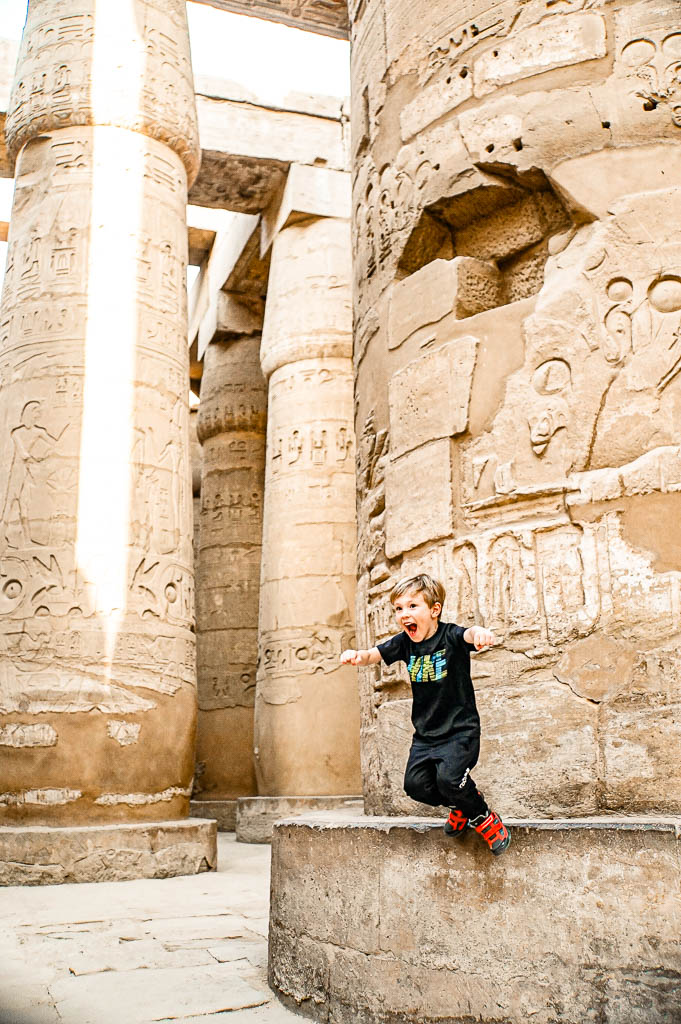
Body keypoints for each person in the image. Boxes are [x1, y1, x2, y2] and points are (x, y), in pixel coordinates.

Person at [340, 572, 511, 856]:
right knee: (415, 786)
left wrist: (479, 632)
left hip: (460, 731)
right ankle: (460, 804)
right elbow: (375, 654)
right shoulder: (404, 643)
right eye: (398, 608)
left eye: (412, 606)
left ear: (434, 610)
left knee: (449, 779)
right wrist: (358, 656)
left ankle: (483, 816)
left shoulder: (450, 636)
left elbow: (468, 634)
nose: (404, 614)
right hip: (426, 735)